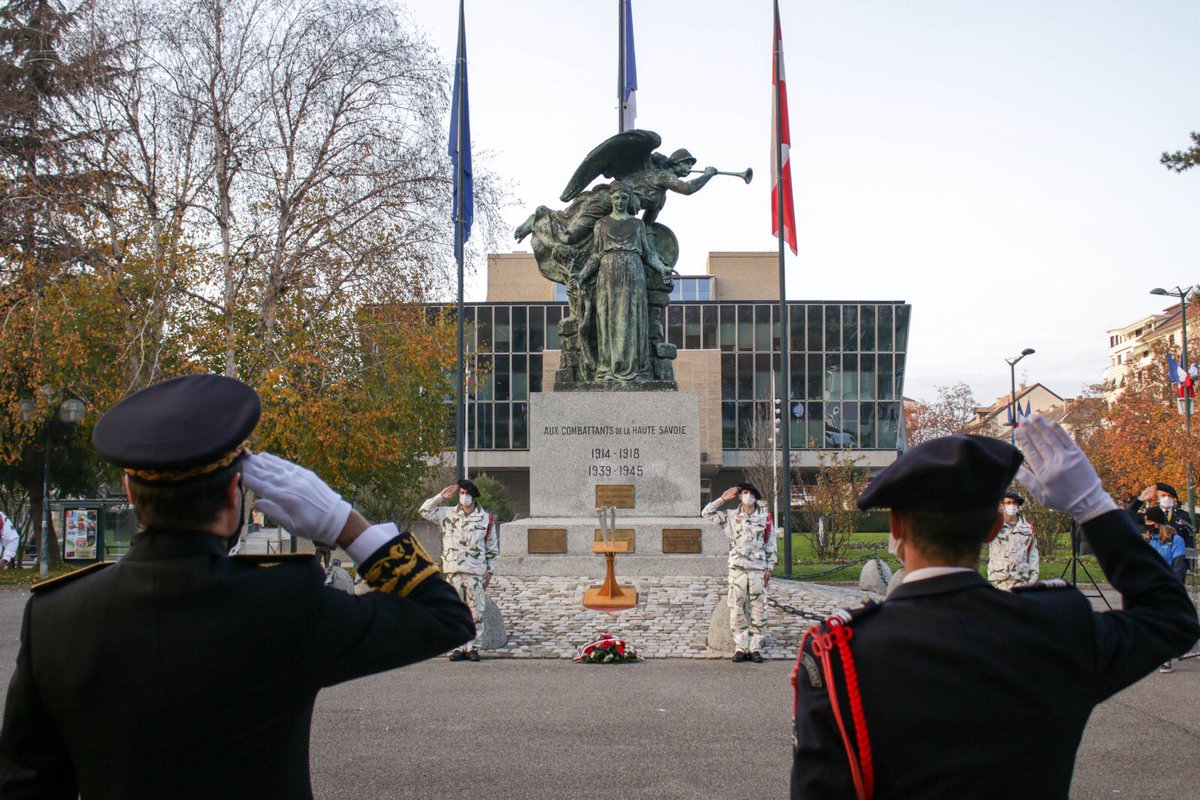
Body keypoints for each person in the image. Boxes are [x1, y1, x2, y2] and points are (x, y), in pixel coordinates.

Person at [0, 374, 473, 798]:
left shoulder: (54, 617)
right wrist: (344, 523)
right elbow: (444, 617)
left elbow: (27, 785)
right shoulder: (285, 603)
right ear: (234, 494)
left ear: (129, 491)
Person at [791, 416, 1199, 799]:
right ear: (993, 528)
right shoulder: (1055, 626)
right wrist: (1092, 506)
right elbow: (1170, 619)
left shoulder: (841, 649)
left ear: (896, 529)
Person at [571, 181, 672, 384]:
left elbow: (648, 253)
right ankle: (608, 368)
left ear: (629, 199)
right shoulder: (601, 224)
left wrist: (662, 268)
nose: (619, 201)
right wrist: (582, 275)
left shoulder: (637, 224)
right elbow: (596, 256)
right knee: (608, 319)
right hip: (608, 274)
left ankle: (637, 369)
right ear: (611, 199)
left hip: (633, 273)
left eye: (624, 198)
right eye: (616, 197)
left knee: (633, 317)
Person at [419, 478, 498, 662]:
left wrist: (490, 571)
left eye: (466, 494)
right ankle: (457, 647)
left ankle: (473, 648)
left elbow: (492, 549)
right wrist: (440, 497)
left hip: (475, 572)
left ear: (473, 496)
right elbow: (424, 511)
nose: (463, 497)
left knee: (476, 611)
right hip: (453, 570)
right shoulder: (447, 514)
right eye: (461, 493)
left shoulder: (485, 518)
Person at [702, 482, 777, 663]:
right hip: (737, 569)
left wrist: (770, 567)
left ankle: (755, 646)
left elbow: (770, 544)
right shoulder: (731, 516)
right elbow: (706, 513)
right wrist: (722, 499)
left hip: (758, 569)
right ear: (740, 496)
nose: (748, 496)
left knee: (759, 608)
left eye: (751, 493)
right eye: (744, 492)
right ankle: (741, 647)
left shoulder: (765, 518)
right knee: (736, 607)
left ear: (755, 497)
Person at [986, 490, 1040, 590]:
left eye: (1015, 503)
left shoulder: (1028, 528)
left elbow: (1033, 555)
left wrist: (1032, 580)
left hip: (1020, 581)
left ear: (1018, 506)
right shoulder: (993, 525)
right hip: (997, 581)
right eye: (1008, 503)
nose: (1012, 506)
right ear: (1002, 506)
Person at [1127, 482, 1194, 547]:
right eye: (1163, 495)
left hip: (1176, 554)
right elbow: (1127, 517)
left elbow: (1189, 541)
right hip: (1155, 553)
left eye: (1170, 496)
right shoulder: (1151, 514)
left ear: (1173, 498)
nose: (1167, 498)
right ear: (1158, 497)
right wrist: (1140, 500)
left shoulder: (1182, 516)